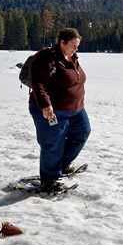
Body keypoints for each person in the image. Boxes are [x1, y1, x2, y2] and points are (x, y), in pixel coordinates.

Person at [28, 27, 91, 193]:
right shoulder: (47, 56)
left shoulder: (72, 57)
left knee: (82, 133)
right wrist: (45, 105)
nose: (76, 49)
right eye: (73, 45)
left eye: (78, 46)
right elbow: (37, 82)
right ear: (62, 42)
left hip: (76, 110)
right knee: (52, 143)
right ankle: (49, 180)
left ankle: (61, 165)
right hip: (51, 110)